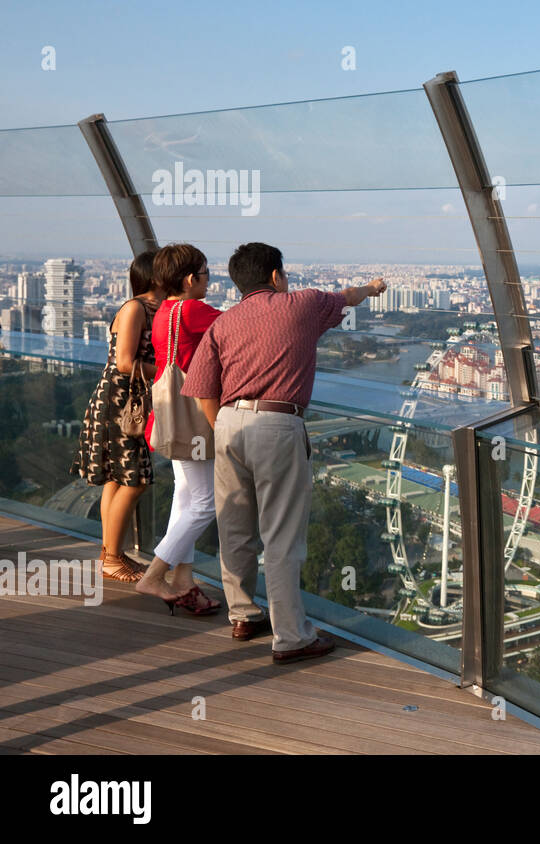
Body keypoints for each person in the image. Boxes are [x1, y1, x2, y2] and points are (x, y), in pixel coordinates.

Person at [183, 242, 385, 663]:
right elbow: (347, 297)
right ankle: (291, 636)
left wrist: (221, 426)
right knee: (281, 534)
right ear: (276, 276)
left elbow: (201, 386)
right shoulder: (303, 304)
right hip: (278, 423)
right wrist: (372, 287)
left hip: (228, 423)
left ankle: (243, 615)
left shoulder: (224, 323)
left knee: (234, 528)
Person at [136, 243, 223, 616]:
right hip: (194, 420)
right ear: (190, 280)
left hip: (170, 418)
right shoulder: (192, 310)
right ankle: (155, 575)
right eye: (206, 275)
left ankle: (184, 579)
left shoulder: (164, 311)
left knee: (186, 500)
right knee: (208, 502)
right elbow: (242, 325)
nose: (208, 282)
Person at [71, 250, 165, 583]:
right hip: (120, 404)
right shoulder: (135, 308)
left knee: (116, 478)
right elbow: (125, 362)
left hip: (130, 402)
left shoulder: (156, 308)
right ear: (154, 276)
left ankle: (110, 554)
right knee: (135, 480)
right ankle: (112, 557)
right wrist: (171, 372)